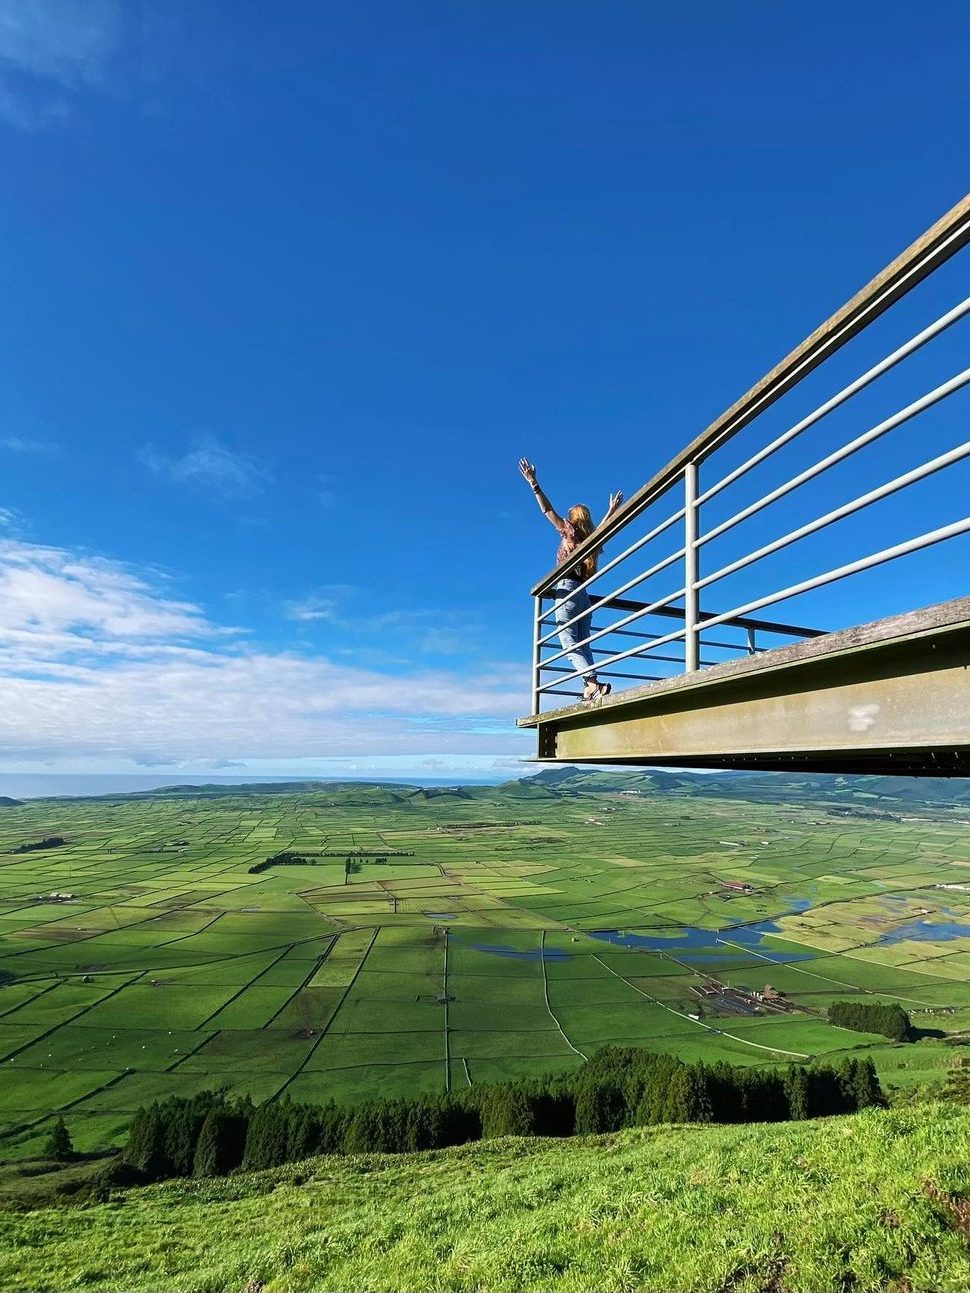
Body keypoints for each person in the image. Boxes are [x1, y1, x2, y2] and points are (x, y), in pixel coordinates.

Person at [519, 458, 624, 703]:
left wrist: (534, 483)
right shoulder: (590, 538)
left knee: (568, 642)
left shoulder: (570, 530)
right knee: (583, 643)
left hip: (566, 591)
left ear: (573, 518)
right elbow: (602, 530)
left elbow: (547, 511)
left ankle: (593, 684)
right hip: (583, 596)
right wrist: (611, 512)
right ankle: (589, 688)